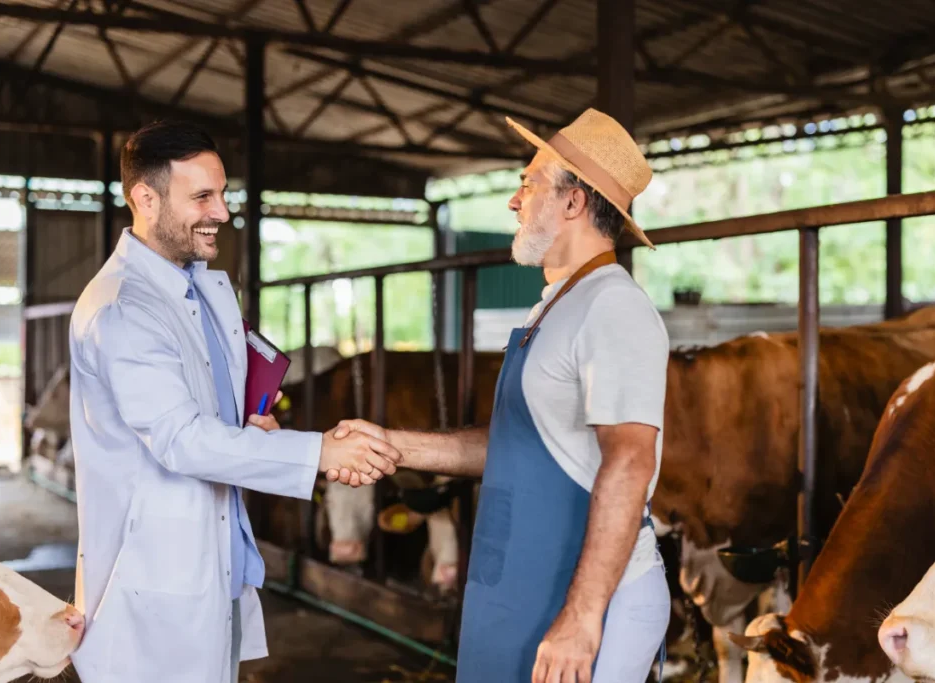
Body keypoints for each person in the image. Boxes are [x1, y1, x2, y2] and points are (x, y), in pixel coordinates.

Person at [330, 108, 672, 683]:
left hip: (587, 597)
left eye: (528, 183)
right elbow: (515, 447)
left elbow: (631, 461)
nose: (516, 202)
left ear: (573, 203)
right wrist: (391, 445)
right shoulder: (556, 305)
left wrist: (583, 619)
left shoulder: (614, 306)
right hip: (528, 578)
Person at [66, 119, 401, 683]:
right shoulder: (124, 308)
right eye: (202, 196)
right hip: (151, 579)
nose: (222, 212)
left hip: (210, 558)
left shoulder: (199, 289)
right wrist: (318, 452)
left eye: (223, 194)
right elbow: (181, 439)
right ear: (144, 199)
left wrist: (253, 432)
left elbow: (207, 417)